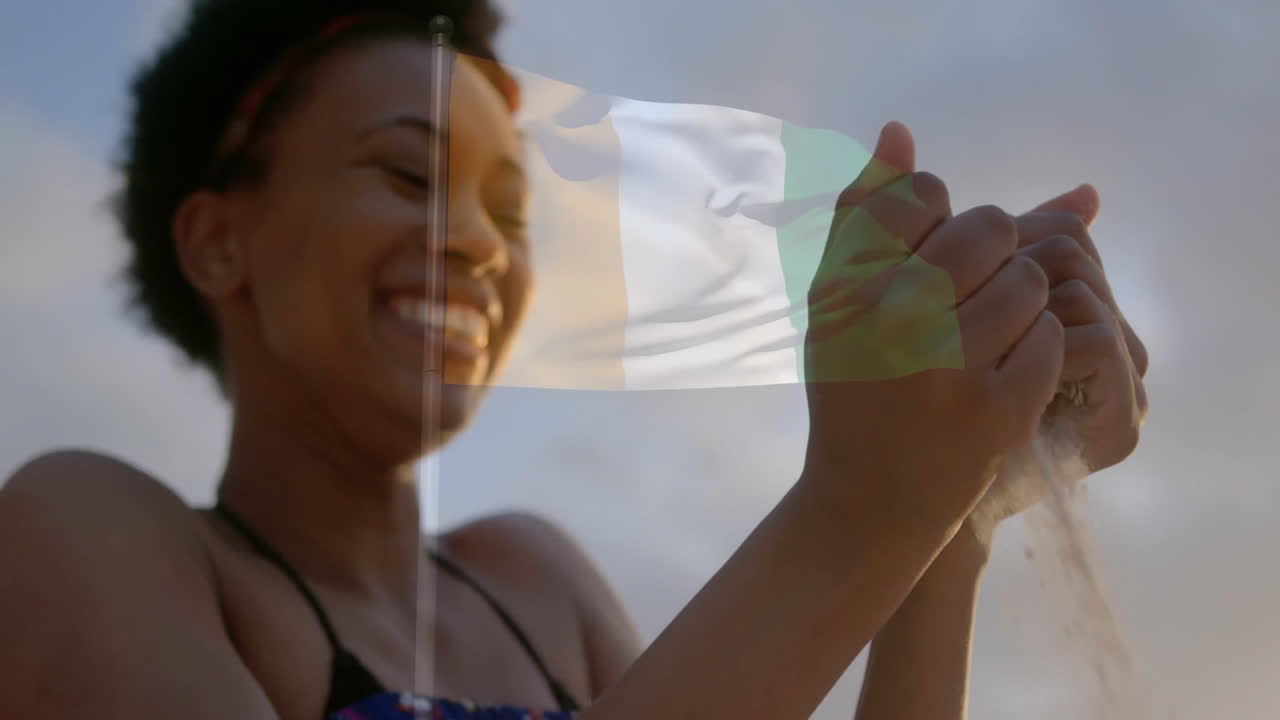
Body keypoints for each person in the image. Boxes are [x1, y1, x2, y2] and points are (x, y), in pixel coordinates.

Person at [0, 1, 1149, 718]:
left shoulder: (535, 582)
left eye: (508, 213)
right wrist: (860, 509)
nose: (475, 250)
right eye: (406, 176)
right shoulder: (84, 533)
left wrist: (950, 522)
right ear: (217, 238)